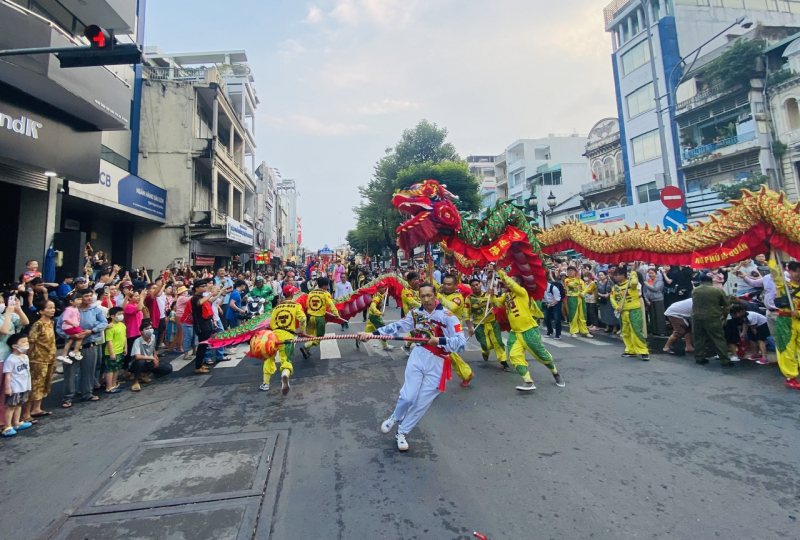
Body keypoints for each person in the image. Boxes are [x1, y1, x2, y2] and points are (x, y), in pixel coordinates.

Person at [361, 283, 466, 452]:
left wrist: (438, 341)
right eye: (422, 296)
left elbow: (461, 343)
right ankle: (395, 417)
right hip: (419, 356)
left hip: (438, 361)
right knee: (408, 397)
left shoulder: (449, 316)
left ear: (435, 296)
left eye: (429, 295)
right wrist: (371, 334)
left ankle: (402, 433)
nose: (426, 299)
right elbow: (396, 327)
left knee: (421, 403)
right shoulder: (416, 314)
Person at [493, 269, 564, 391]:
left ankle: (555, 372)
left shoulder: (522, 292)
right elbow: (497, 304)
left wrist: (499, 271)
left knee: (541, 355)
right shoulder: (506, 296)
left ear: (519, 284)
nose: (509, 282)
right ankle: (528, 380)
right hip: (515, 332)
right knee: (514, 356)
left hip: (529, 330)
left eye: (513, 281)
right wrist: (491, 295)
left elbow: (510, 283)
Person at [54, 289, 107, 407]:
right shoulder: (70, 310)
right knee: (70, 373)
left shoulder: (95, 310)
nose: (89, 298)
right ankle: (68, 397)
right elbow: (59, 327)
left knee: (89, 371)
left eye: (90, 296)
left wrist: (92, 331)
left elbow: (103, 323)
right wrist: (70, 335)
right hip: (72, 345)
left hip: (90, 344)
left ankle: (87, 393)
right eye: (86, 296)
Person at [261, 285, 307, 394]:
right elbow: (303, 318)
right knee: (286, 360)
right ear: (292, 294)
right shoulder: (296, 306)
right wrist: (301, 331)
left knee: (269, 359)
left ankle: (265, 384)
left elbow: (272, 323)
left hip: (274, 337)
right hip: (287, 337)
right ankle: (285, 374)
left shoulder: (277, 307)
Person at [21, 300, 56, 423]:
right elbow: (31, 341)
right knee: (34, 385)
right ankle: (26, 413)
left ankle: (37, 408)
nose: (52, 310)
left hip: (50, 357)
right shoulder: (38, 324)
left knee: (45, 384)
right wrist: (27, 357)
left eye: (53, 308)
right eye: (49, 308)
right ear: (41, 311)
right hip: (38, 359)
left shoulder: (51, 322)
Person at [436, 274, 474, 387]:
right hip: (441, 329)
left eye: (449, 284)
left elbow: (451, 307)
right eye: (444, 284)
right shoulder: (442, 293)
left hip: (452, 331)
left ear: (455, 285)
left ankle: (466, 373)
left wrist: (437, 295)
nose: (446, 286)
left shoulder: (458, 297)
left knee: (448, 354)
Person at [466, 277, 508, 370]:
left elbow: (497, 305)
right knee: (486, 345)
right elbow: (466, 314)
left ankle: (504, 362)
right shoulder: (469, 299)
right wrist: (469, 328)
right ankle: (485, 351)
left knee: (498, 342)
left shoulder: (488, 295)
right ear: (471, 288)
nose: (475, 287)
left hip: (492, 322)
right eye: (473, 286)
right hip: (479, 325)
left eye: (477, 285)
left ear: (480, 285)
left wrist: (492, 296)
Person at [691, 274, 733, 366]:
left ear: (701, 281)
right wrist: (724, 317)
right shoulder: (717, 290)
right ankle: (725, 360)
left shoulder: (695, 290)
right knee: (718, 338)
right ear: (711, 281)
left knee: (698, 337)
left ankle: (699, 357)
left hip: (696, 317)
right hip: (713, 317)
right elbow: (726, 306)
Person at [611, 267, 650, 361]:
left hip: (634, 310)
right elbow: (612, 298)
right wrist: (616, 307)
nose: (615, 277)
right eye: (615, 275)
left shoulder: (632, 284)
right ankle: (630, 350)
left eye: (617, 275)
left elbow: (634, 282)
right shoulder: (615, 287)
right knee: (625, 332)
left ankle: (643, 351)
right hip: (623, 312)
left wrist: (633, 272)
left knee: (636, 331)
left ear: (623, 275)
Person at [775, 261, 800, 388]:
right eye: (795, 271)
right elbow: (774, 272)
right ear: (789, 271)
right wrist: (773, 253)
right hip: (786, 322)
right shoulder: (783, 286)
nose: (798, 274)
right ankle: (791, 377)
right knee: (787, 350)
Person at [129, 318, 172, 390]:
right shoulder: (138, 341)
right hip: (138, 363)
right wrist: (152, 358)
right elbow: (137, 356)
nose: (149, 330)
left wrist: (155, 356)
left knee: (168, 368)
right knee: (140, 362)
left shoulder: (153, 337)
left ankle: (145, 374)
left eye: (150, 328)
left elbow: (153, 348)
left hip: (149, 361)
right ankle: (136, 382)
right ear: (141, 332)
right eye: (146, 329)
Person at [2, 334, 32, 437]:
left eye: (27, 341)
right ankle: (7, 426)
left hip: (24, 386)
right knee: (11, 407)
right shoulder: (11, 359)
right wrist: (8, 387)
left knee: (19, 405)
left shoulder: (25, 357)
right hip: (15, 387)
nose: (26, 344)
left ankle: (17, 423)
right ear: (14, 346)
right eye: (23, 342)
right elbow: (8, 375)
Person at [301, 277, 339, 358]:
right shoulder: (326, 293)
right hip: (319, 318)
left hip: (309, 317)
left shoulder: (311, 293)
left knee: (310, 335)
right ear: (325, 286)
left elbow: (307, 305)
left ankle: (307, 351)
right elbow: (331, 305)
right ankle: (306, 345)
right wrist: (336, 314)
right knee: (319, 337)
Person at [191, 279, 220, 375]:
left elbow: (209, 302)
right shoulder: (194, 298)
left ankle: (200, 364)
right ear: (196, 288)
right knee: (202, 345)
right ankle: (198, 367)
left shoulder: (202, 297)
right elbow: (200, 303)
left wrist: (218, 293)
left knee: (204, 345)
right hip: (201, 325)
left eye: (204, 286)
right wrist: (211, 294)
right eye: (202, 286)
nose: (204, 288)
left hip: (207, 323)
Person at [104, 307, 127, 393]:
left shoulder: (122, 325)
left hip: (120, 350)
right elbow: (109, 341)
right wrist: (112, 353)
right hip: (112, 352)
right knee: (110, 369)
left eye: (122, 314)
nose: (121, 316)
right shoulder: (110, 327)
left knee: (117, 368)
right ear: (112, 316)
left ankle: (114, 383)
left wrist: (125, 347)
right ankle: (109, 386)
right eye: (119, 314)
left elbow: (124, 337)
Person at [564, 266, 592, 338]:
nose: (570, 272)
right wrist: (577, 279)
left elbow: (585, 289)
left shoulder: (581, 281)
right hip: (572, 298)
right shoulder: (567, 280)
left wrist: (583, 293)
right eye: (569, 271)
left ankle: (584, 331)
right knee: (573, 315)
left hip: (580, 298)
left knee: (582, 315)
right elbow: (572, 285)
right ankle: (573, 331)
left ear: (575, 272)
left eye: (572, 271)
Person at [365, 281, 393, 351]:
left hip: (372, 316)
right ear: (379, 288)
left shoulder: (379, 294)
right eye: (383, 287)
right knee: (382, 330)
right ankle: (385, 345)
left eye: (385, 287)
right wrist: (379, 313)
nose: (385, 288)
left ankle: (359, 338)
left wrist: (384, 294)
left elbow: (381, 296)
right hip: (375, 317)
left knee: (368, 333)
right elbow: (372, 307)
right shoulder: (376, 297)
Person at [57, 293, 84, 363]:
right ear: (71, 301)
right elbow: (65, 319)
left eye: (81, 299)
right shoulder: (69, 309)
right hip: (69, 327)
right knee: (81, 335)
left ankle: (64, 355)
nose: (80, 301)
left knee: (70, 340)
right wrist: (73, 324)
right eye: (78, 299)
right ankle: (75, 351)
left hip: (71, 326)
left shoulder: (75, 308)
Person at [643, 268, 668, 336]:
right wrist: (646, 300)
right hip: (650, 301)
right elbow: (644, 292)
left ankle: (661, 331)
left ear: (656, 274)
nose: (650, 275)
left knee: (659, 316)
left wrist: (646, 284)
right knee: (652, 316)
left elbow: (655, 289)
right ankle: (654, 331)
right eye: (649, 273)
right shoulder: (647, 281)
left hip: (658, 300)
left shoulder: (660, 281)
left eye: (652, 273)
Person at [543, 272, 563, 340]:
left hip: (555, 303)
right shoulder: (541, 288)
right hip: (547, 303)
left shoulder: (553, 288)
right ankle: (550, 331)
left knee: (557, 319)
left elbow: (557, 299)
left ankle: (558, 334)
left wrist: (551, 304)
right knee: (546, 318)